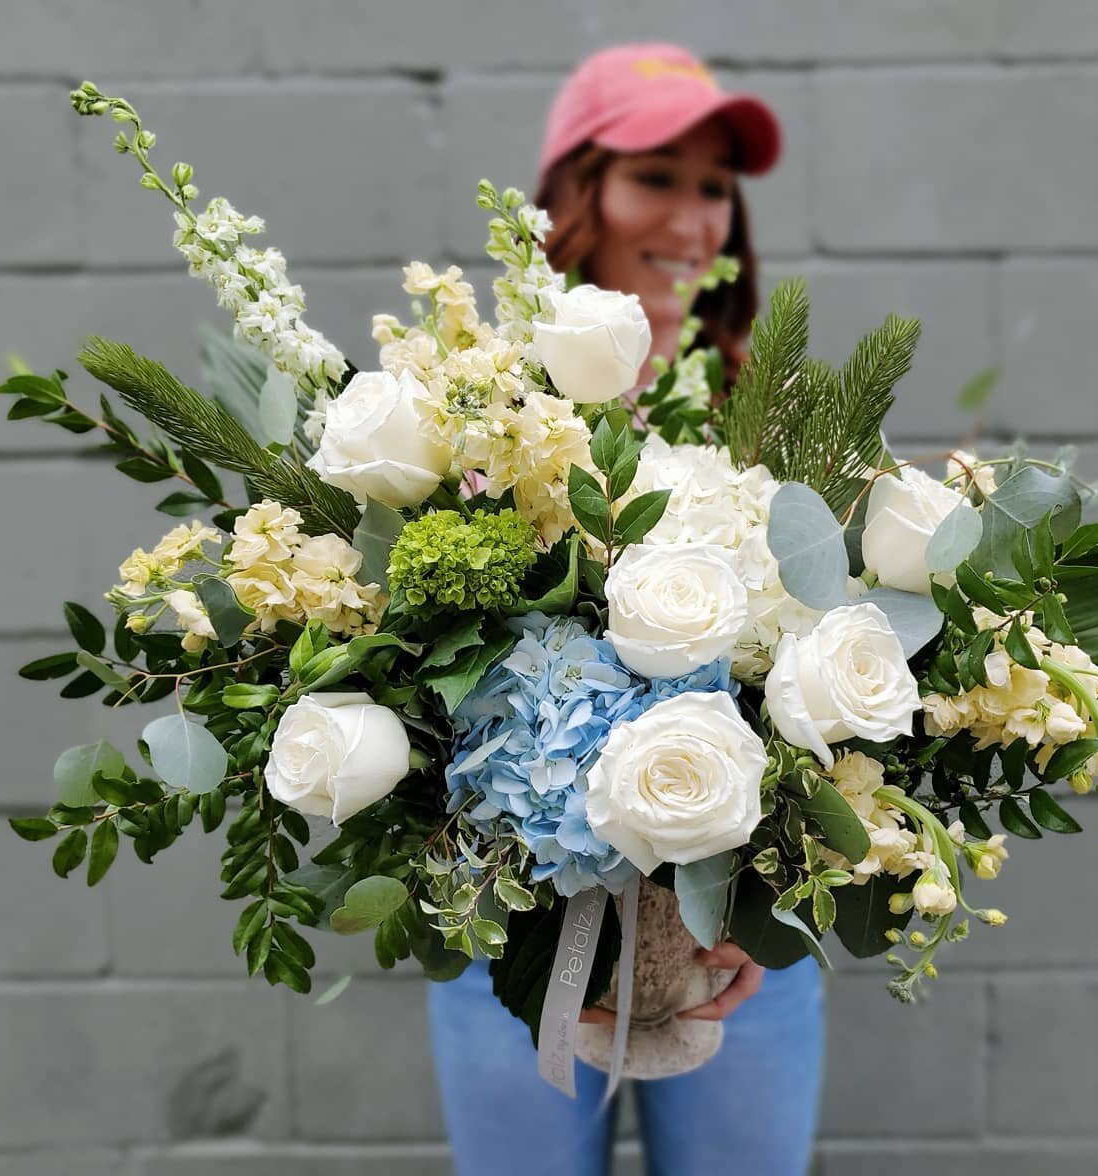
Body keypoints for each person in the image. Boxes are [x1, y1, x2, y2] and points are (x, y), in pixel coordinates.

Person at [427, 43, 825, 1176]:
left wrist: (769, 908)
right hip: (515, 943)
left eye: (714, 188)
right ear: (577, 197)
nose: (694, 219)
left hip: (739, 955)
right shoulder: (482, 406)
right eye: (658, 177)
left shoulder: (773, 406)